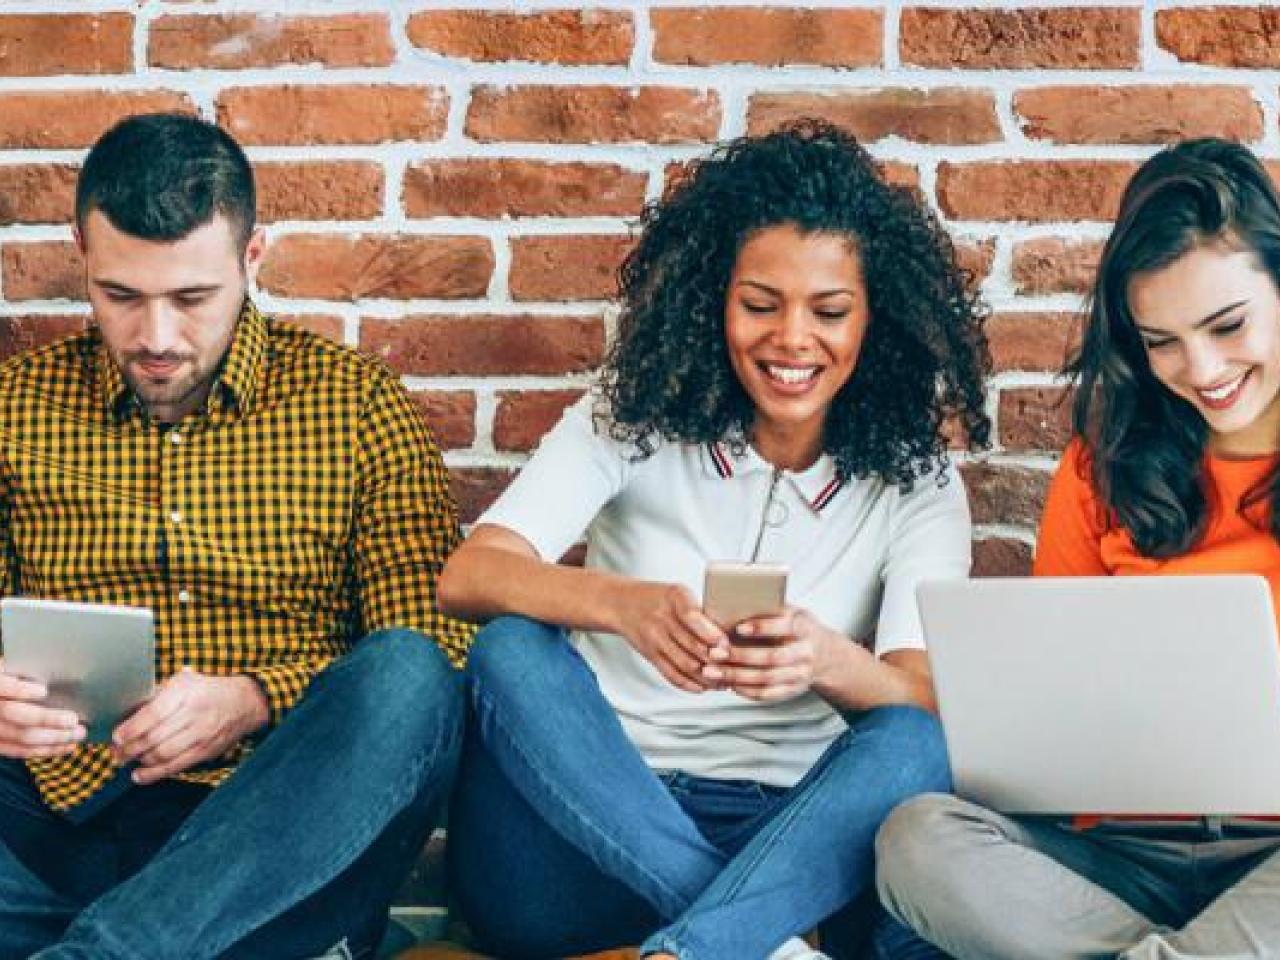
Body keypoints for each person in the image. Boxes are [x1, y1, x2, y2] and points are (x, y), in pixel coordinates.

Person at [438, 121, 991, 960]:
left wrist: (824, 661)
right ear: (714, 301)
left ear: (875, 320)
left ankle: (692, 948)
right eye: (759, 305)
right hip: (582, 835)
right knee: (511, 649)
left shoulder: (916, 480)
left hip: (787, 845)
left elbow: (921, 701)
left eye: (829, 311)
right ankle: (749, 942)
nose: (792, 340)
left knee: (915, 742)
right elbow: (471, 574)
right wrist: (622, 607)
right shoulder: (628, 418)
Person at [0, 112, 471, 959]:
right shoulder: (13, 407)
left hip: (273, 826)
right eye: (121, 296)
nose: (156, 337)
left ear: (252, 259)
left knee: (410, 678)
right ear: (81, 250)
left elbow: (438, 649)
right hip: (52, 821)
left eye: (191, 298)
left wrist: (252, 699)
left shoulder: (356, 406)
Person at [876, 138, 1280, 959]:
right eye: (1160, 340)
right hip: (1123, 854)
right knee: (918, 839)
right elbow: (1054, 727)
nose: (1201, 369)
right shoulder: (1100, 470)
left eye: (1228, 325)